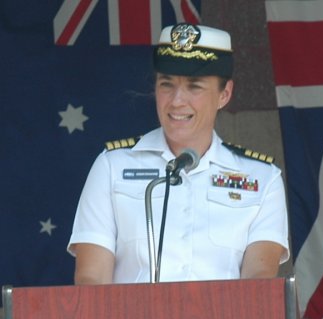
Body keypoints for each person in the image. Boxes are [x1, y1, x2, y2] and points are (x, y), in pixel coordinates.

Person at [68, 23, 289, 285]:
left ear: (224, 94)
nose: (176, 101)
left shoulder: (263, 178)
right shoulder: (112, 166)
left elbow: (258, 284)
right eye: (166, 84)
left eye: (194, 86)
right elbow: (91, 280)